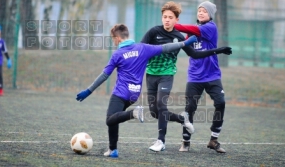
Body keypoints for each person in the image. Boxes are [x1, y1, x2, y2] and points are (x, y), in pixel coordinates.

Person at [76, 24, 229, 158]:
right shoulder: (143, 48)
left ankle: (134, 115)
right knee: (116, 117)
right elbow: (166, 47)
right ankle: (113, 150)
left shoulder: (117, 54)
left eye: (113, 39)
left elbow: (104, 75)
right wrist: (185, 43)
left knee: (110, 119)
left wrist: (88, 91)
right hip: (134, 94)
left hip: (121, 92)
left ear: (117, 38)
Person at [141, 1, 232, 152]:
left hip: (184, 75)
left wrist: (217, 50)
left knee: (163, 105)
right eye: (165, 17)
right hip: (179, 76)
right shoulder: (156, 32)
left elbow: (194, 52)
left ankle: (162, 141)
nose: (167, 19)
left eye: (170, 17)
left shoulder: (204, 29)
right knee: (159, 111)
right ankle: (184, 128)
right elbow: (142, 48)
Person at [173, 1, 227, 153]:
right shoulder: (191, 33)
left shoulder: (210, 27)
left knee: (221, 103)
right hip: (195, 76)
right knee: (190, 108)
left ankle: (214, 139)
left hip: (212, 75)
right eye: (199, 10)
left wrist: (173, 25)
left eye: (204, 11)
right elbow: (188, 47)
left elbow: (190, 29)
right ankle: (185, 141)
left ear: (210, 15)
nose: (201, 13)